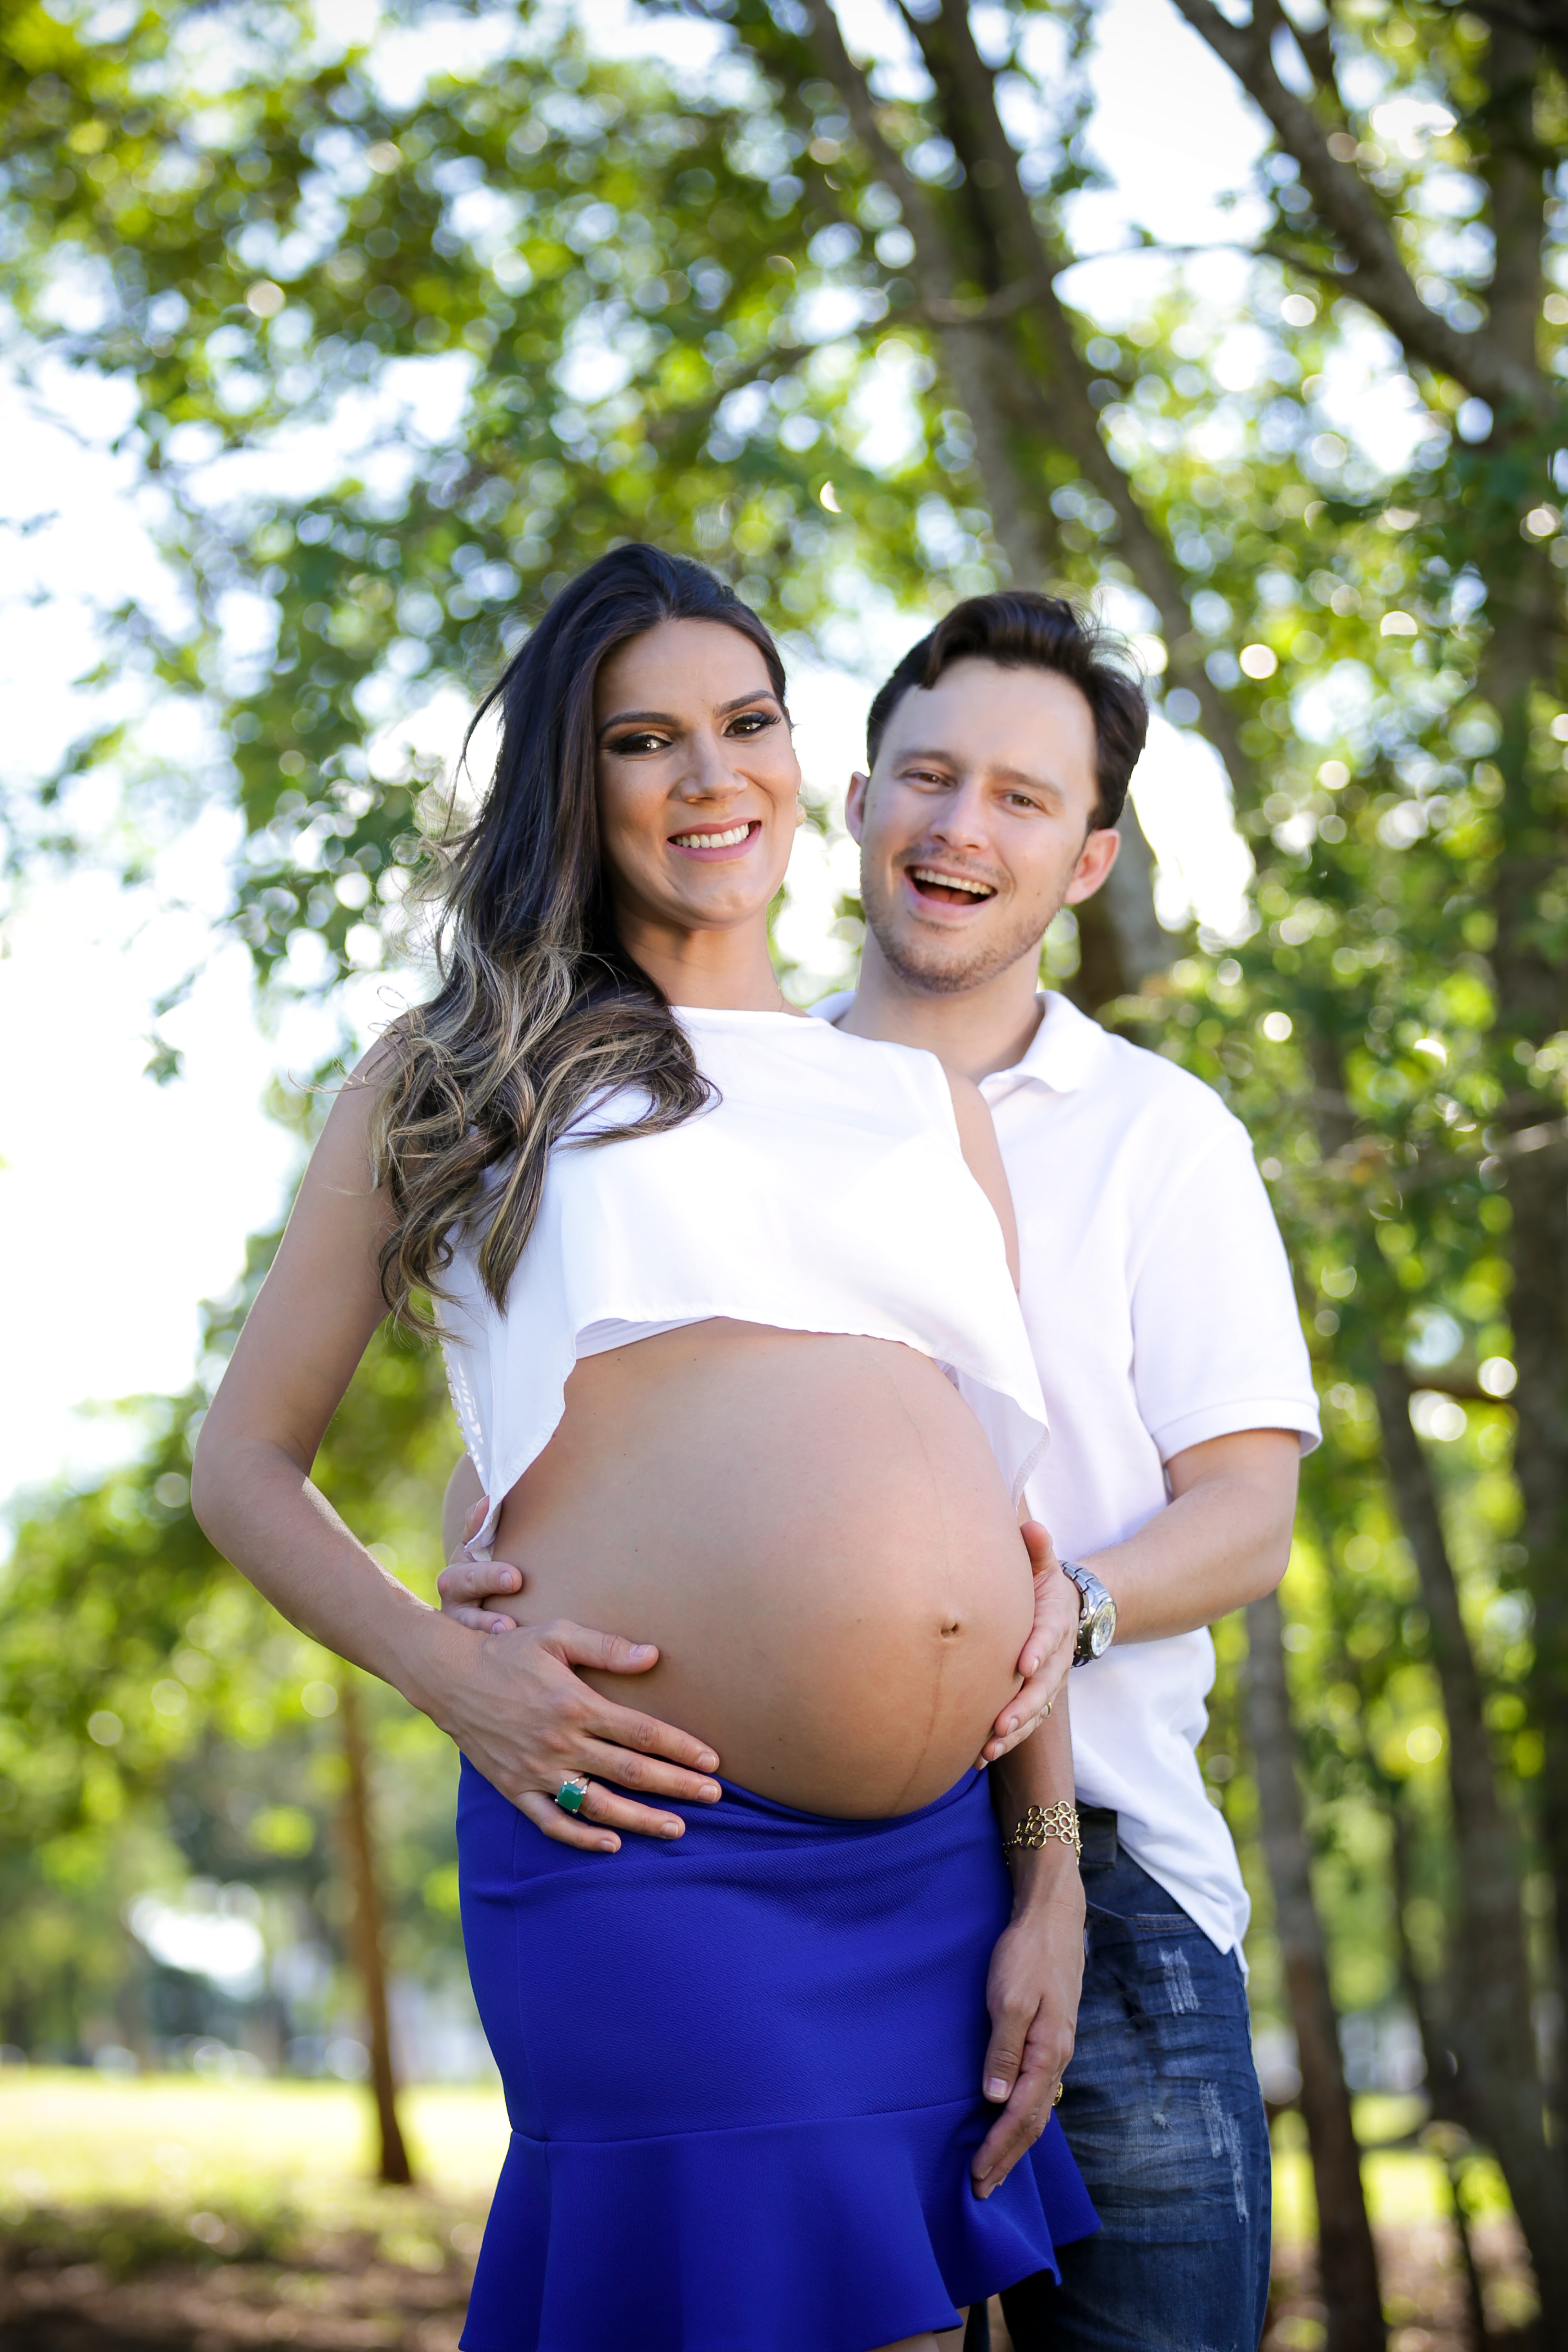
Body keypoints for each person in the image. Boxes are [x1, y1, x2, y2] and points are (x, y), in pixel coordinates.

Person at [190, 545, 1098, 2352]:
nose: (711, 777)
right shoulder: (464, 1067)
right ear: (571, 783)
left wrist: (1050, 1876)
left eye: (747, 723)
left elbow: (1004, 1507)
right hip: (645, 1831)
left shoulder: (914, 1098)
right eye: (645, 739)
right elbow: (241, 1466)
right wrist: (455, 1676)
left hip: (930, 1872)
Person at [445, 587, 1322, 2352]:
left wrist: (1048, 1622)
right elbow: (561, 1426)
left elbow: (1247, 1513)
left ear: (1088, 860)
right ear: (853, 800)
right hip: (778, 1846)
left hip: (1113, 1852)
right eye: (928, 776)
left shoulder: (1161, 1134)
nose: (958, 828)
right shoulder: (689, 1089)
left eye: (1019, 798)